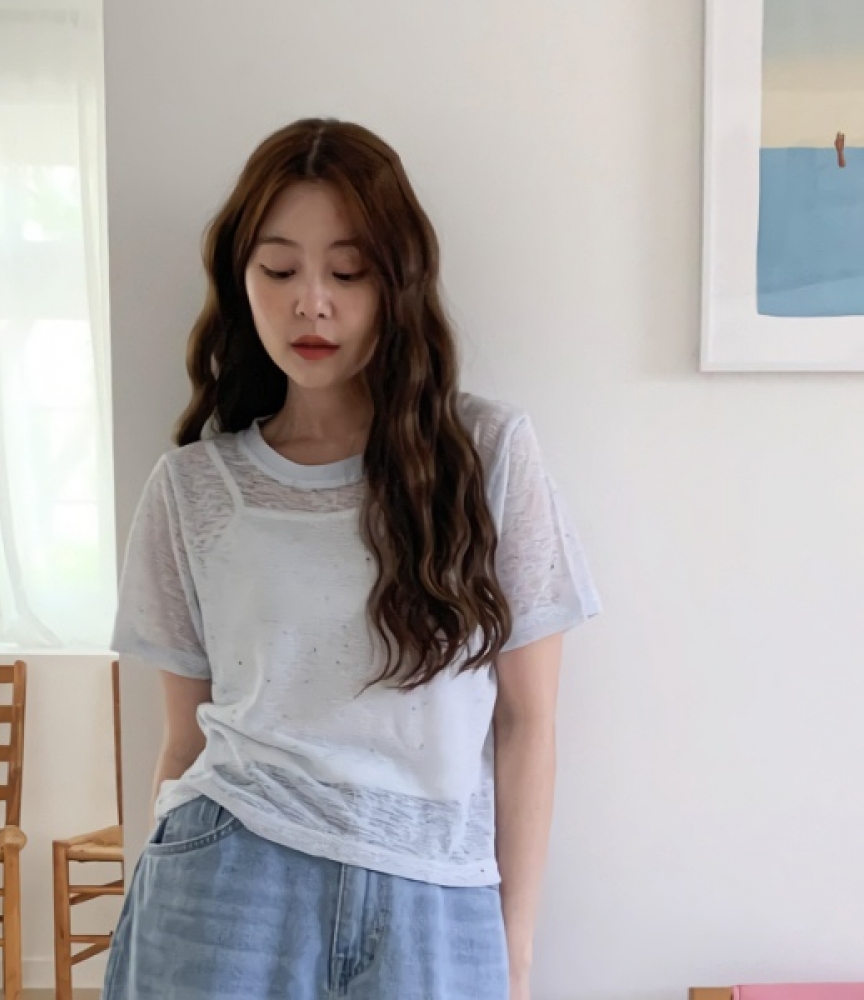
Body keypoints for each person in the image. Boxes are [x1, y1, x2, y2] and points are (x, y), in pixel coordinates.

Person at [102, 117, 601, 1000]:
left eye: (347, 271)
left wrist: (515, 950)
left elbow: (528, 724)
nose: (311, 303)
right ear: (240, 280)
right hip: (225, 883)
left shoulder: (489, 457)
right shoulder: (194, 487)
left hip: (435, 900)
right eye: (279, 270)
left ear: (396, 282)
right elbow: (182, 738)